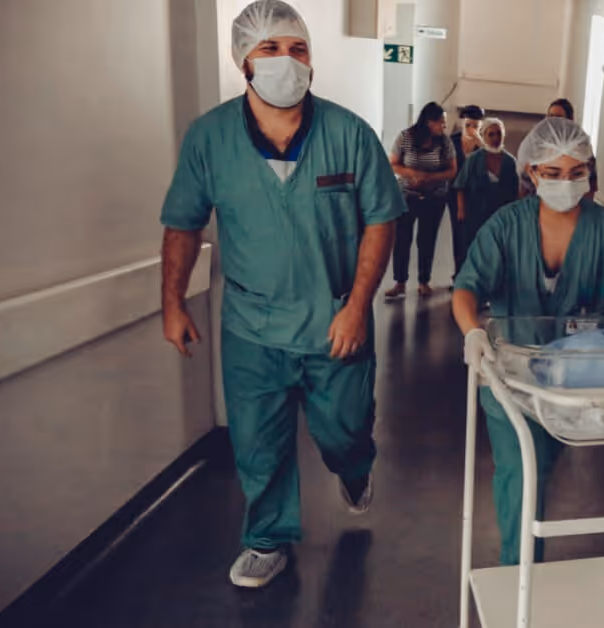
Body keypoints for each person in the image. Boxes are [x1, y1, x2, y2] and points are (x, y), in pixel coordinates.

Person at [159, 0, 405, 589]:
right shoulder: (210, 138)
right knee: (258, 442)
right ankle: (266, 538)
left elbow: (381, 220)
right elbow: (182, 225)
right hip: (252, 327)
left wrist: (357, 306)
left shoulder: (348, 133)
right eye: (269, 49)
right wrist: (172, 302)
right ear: (243, 60)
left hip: (334, 319)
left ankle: (354, 466)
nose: (286, 62)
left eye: (298, 49)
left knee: (343, 428)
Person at [452, 118, 604, 565]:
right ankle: (519, 570)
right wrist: (472, 330)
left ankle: (529, 558)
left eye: (576, 173)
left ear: (589, 173)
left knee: (542, 468)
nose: (567, 183)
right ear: (531, 173)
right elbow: (467, 286)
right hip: (509, 373)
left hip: (576, 376)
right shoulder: (507, 225)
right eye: (553, 173)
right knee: (519, 473)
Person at [386, 103, 457, 298]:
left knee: (426, 240)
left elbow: (452, 170)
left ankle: (423, 281)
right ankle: (399, 282)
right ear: (429, 122)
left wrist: (428, 178)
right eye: (441, 121)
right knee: (402, 239)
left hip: (434, 198)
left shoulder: (444, 143)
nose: (444, 125)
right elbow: (393, 164)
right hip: (407, 196)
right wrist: (413, 174)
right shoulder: (406, 137)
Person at [452, 117, 518, 274]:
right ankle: (464, 279)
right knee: (470, 245)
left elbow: (515, 190)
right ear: (484, 136)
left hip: (499, 211)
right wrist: (461, 209)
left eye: (498, 134)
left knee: (496, 246)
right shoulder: (474, 159)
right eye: (491, 134)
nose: (495, 138)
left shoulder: (510, 161)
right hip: (475, 209)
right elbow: (461, 185)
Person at [520, 98, 598, 200]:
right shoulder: (536, 144)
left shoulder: (581, 146)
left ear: (569, 120)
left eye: (558, 117)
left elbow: (591, 183)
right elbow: (525, 180)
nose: (553, 121)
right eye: (550, 116)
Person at [448, 105, 485, 280]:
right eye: (468, 125)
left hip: (477, 195)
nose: (471, 129)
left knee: (476, 234)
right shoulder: (453, 141)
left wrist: (481, 143)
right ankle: (458, 273)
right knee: (458, 234)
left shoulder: (483, 144)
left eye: (476, 126)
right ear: (463, 122)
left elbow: (494, 162)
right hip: (454, 194)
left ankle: (473, 275)